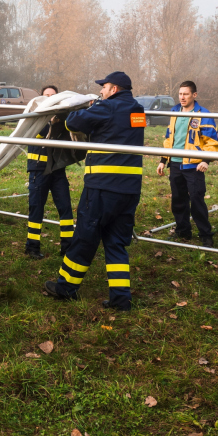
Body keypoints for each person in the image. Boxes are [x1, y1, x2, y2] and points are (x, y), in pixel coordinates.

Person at [44, 71, 144, 312]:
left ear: (114, 89)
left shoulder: (107, 107)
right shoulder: (138, 111)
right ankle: (121, 299)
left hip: (102, 187)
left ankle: (65, 287)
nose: (101, 91)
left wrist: (91, 107)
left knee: (85, 237)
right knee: (116, 242)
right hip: (129, 190)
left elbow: (73, 123)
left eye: (104, 87)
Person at [157, 81, 218, 248]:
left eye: (186, 94)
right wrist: (163, 160)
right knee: (178, 201)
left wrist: (206, 161)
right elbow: (169, 139)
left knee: (197, 200)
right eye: (180, 94)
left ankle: (205, 235)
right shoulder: (174, 112)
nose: (182, 97)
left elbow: (212, 141)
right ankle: (183, 231)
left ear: (194, 95)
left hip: (194, 166)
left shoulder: (204, 114)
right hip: (176, 164)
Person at [25, 84, 75, 260]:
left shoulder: (63, 118)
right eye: (47, 96)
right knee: (36, 209)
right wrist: (52, 123)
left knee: (65, 208)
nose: (50, 98)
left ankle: (67, 248)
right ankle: (32, 247)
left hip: (57, 170)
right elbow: (40, 134)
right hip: (38, 170)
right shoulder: (35, 116)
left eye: (53, 96)